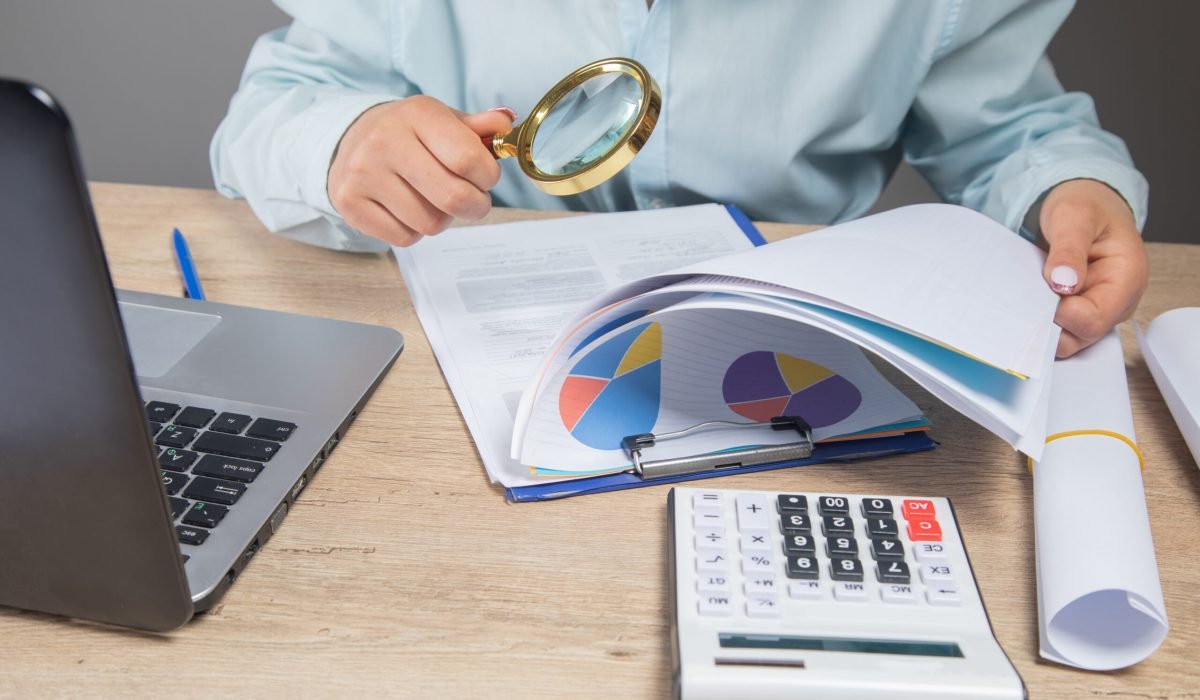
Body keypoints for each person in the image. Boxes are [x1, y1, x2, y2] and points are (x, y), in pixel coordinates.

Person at [211, 0, 1149, 358]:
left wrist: (1071, 190)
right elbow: (269, 115)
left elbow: (1011, 130)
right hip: (466, 342)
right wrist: (341, 144)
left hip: (797, 352)